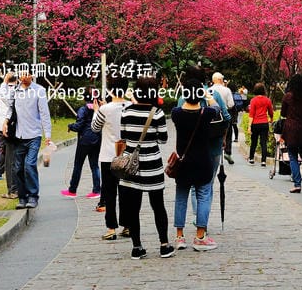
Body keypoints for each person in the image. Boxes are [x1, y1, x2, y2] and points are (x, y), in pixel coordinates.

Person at [118, 75, 172, 259]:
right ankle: (164, 245)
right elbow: (163, 140)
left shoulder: (126, 111)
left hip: (131, 168)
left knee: (133, 208)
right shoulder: (157, 114)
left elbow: (123, 136)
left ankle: (137, 247)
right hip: (152, 165)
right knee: (158, 206)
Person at [170, 67, 223, 251]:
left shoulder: (176, 113)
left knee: (181, 198)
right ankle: (200, 236)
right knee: (203, 196)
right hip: (203, 162)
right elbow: (216, 108)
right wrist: (207, 95)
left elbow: (179, 106)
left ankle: (179, 237)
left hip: (183, 164)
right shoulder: (206, 113)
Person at [0, 70, 51, 210]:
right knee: (18, 168)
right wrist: (5, 121)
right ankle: (22, 197)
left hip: (34, 134)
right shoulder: (15, 90)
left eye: (25, 74)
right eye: (21, 74)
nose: (23, 77)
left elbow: (44, 113)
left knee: (29, 165)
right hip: (19, 135)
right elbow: (10, 108)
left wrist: (48, 135)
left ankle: (33, 196)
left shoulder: (39, 90)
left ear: (31, 76)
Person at [91, 81, 128, 238]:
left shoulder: (105, 109)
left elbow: (95, 127)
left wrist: (96, 111)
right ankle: (128, 225)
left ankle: (111, 228)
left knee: (109, 192)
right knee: (126, 191)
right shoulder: (131, 106)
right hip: (126, 155)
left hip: (108, 156)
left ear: (110, 90)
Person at [63, 89, 102, 199]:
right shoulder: (99, 109)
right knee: (94, 166)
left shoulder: (83, 109)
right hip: (97, 139)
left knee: (78, 165)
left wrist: (70, 126)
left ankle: (72, 190)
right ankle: (96, 190)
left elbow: (79, 125)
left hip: (84, 141)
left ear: (84, 97)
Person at [279, 73, 302, 193]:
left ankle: (297, 184)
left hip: (291, 130)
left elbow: (283, 114)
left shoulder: (287, 97)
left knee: (293, 157)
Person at [0, 72, 16, 181]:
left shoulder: (2, 90)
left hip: (2, 124)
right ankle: (10, 172)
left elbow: (1, 96)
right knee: (11, 150)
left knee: (1, 149)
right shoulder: (15, 90)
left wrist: (5, 81)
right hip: (12, 125)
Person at [210, 72, 236, 164]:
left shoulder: (209, 90)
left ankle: (215, 152)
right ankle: (228, 152)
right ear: (220, 80)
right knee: (228, 133)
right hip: (225, 115)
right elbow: (231, 104)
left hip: (212, 117)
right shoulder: (227, 90)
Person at [246, 82, 274, 166]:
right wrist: (271, 119)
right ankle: (263, 161)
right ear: (263, 90)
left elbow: (251, 114)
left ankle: (251, 158)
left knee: (254, 141)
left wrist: (249, 126)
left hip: (255, 123)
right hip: (264, 123)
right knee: (263, 142)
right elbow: (271, 112)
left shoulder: (253, 100)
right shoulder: (267, 100)